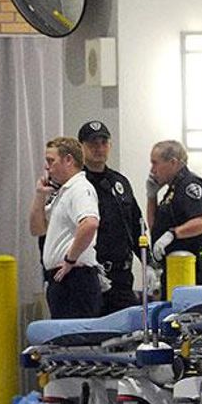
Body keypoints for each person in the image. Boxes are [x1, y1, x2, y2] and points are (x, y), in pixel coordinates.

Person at [29, 137, 102, 319]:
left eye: (51, 161)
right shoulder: (64, 192)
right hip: (63, 278)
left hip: (76, 278)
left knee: (74, 341)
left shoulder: (79, 189)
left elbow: (90, 223)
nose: (47, 167)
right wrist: (39, 195)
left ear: (68, 160)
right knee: (63, 341)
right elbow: (37, 229)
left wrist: (70, 259)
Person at [77, 121, 143, 314]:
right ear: (81, 147)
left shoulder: (119, 183)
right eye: (92, 143)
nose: (99, 148)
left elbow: (136, 225)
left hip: (121, 277)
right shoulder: (76, 184)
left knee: (127, 336)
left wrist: (148, 264)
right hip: (89, 276)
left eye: (103, 142)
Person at [147, 140, 202, 289]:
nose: (152, 170)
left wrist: (173, 234)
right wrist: (151, 197)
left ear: (173, 163)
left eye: (155, 163)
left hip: (193, 269)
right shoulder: (172, 190)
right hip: (174, 267)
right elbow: (155, 227)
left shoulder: (189, 185)